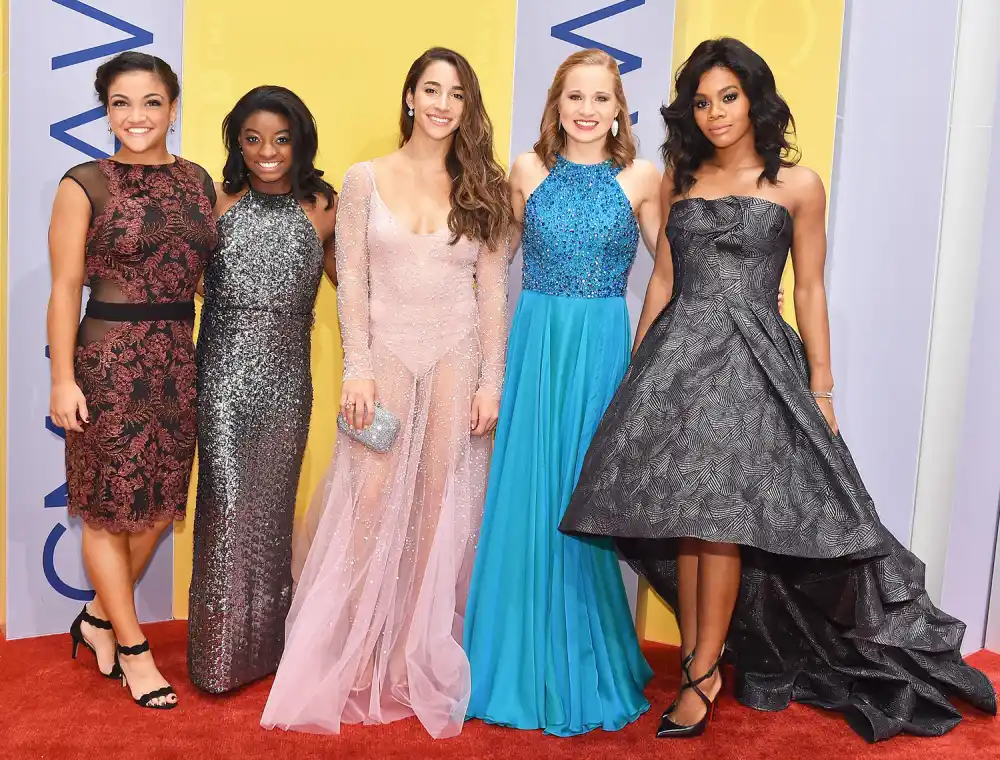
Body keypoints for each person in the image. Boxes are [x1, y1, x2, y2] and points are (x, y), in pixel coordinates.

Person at [560, 37, 998, 741]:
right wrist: (638, 370)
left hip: (755, 363)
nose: (715, 113)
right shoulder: (680, 178)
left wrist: (823, 389)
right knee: (691, 520)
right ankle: (704, 661)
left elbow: (811, 289)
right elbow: (664, 279)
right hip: (678, 363)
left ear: (754, 99)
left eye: (728, 97)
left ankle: (703, 671)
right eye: (702, 102)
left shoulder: (798, 185)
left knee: (724, 520)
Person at [261, 47, 512, 739]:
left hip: (457, 357)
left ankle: (411, 653)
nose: (441, 104)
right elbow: (354, 284)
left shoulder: (484, 187)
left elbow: (493, 294)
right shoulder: (364, 178)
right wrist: (359, 370)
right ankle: (355, 651)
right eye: (431, 89)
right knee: (368, 500)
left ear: (467, 106)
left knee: (439, 507)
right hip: (386, 362)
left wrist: (492, 383)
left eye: (455, 94)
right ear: (409, 97)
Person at [462, 49, 658, 736]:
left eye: (601, 98)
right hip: (536, 345)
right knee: (530, 494)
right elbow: (493, 264)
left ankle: (587, 653)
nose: (587, 109)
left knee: (584, 497)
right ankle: (513, 658)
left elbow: (675, 267)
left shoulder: (643, 178)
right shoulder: (527, 170)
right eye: (575, 96)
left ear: (619, 111)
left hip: (601, 348)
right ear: (556, 105)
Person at [48, 51, 217, 709]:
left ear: (173, 107)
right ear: (106, 110)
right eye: (121, 103)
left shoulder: (197, 180)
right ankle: (134, 650)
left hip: (177, 359)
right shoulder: (84, 183)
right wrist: (63, 378)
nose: (137, 116)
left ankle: (96, 619)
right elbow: (66, 288)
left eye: (151, 102)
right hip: (109, 361)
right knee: (106, 505)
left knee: (158, 505)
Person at [187, 86, 338, 694]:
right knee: (225, 510)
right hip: (222, 378)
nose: (267, 152)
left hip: (288, 385)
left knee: (272, 517)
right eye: (252, 139)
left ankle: (267, 650)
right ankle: (218, 660)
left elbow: (358, 285)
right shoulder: (217, 200)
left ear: (300, 142)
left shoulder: (322, 206)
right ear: (237, 143)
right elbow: (183, 277)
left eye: (280, 139)